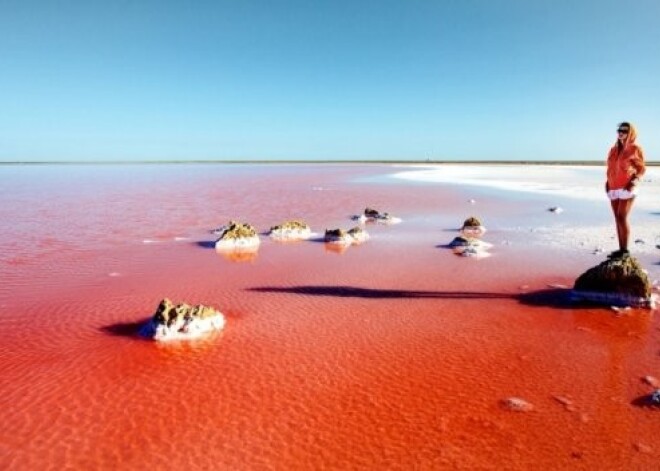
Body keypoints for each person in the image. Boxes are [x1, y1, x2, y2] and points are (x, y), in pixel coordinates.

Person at [605, 122, 645, 258]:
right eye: (619, 130)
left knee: (622, 217)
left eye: (625, 130)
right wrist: (607, 182)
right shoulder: (613, 149)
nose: (621, 132)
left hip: (627, 187)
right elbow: (610, 168)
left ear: (631, 133)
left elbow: (641, 169)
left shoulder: (635, 148)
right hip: (613, 187)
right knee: (617, 218)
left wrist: (633, 182)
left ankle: (625, 251)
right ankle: (620, 249)